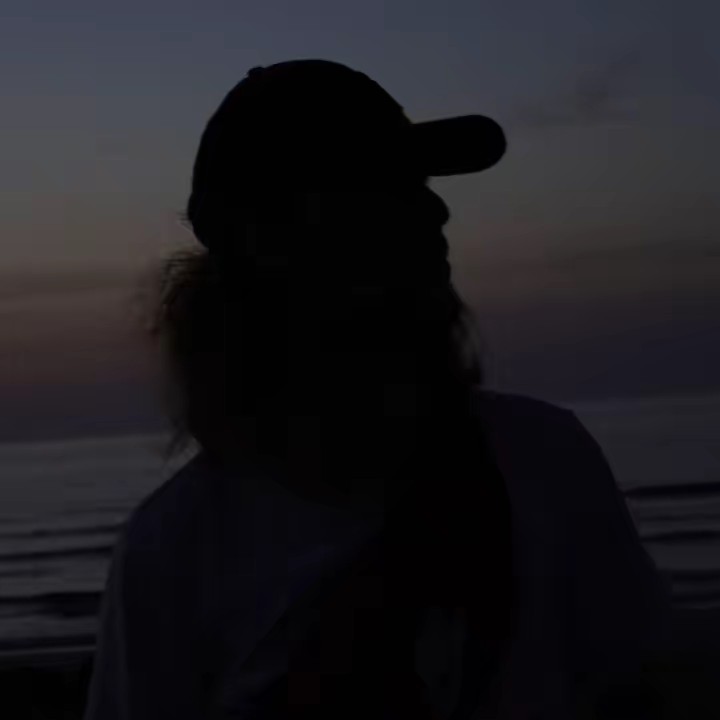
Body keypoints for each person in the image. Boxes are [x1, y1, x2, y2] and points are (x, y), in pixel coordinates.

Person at [83, 59, 671, 720]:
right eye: (380, 186)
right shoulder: (174, 551)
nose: (435, 207)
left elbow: (631, 694)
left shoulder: (546, 458)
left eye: (419, 182)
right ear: (268, 242)